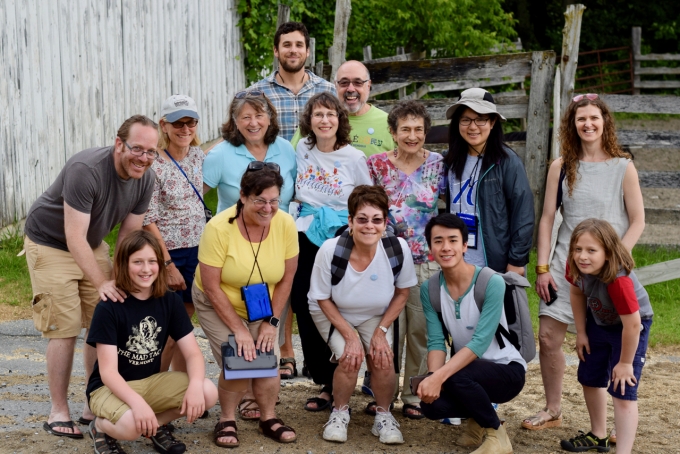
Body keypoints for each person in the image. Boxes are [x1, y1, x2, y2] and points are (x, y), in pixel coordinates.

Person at [24, 115, 157, 438]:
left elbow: (128, 233)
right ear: (118, 144)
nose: (143, 157)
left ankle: (93, 402)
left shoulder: (146, 177)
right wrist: (102, 282)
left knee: (103, 320)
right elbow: (73, 236)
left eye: (151, 151)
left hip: (92, 243)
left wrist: (128, 276)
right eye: (137, 149)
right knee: (64, 327)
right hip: (51, 242)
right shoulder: (87, 170)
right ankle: (58, 411)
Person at [524, 94, 645, 434]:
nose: (587, 124)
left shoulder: (623, 166)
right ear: (572, 124)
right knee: (548, 337)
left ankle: (606, 422)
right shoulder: (561, 166)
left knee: (604, 342)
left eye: (594, 118)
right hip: (568, 264)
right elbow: (548, 218)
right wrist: (543, 267)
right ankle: (553, 407)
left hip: (609, 269)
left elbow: (638, 220)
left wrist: (618, 259)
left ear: (604, 122)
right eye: (581, 119)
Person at [192, 165, 299, 447]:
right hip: (217, 301)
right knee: (240, 361)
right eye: (260, 200)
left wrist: (272, 323)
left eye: (274, 200)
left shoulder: (286, 223)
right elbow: (212, 286)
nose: (268, 208)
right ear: (242, 196)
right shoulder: (217, 228)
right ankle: (226, 419)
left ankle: (268, 417)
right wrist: (239, 329)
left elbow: (287, 279)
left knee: (268, 361)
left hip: (263, 303)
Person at [85, 230, 218, 454]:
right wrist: (137, 404)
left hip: (150, 381)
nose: (146, 269)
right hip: (108, 388)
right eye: (138, 262)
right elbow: (107, 372)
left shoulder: (170, 301)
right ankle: (99, 427)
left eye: (152, 262)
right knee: (131, 428)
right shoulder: (109, 306)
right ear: (124, 264)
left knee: (207, 392)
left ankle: (153, 425)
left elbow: (193, 354)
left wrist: (194, 386)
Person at [308, 185, 417, 445]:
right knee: (350, 356)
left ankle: (384, 415)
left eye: (377, 220)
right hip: (333, 309)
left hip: (375, 314)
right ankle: (339, 412)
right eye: (362, 219)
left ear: (385, 222)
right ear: (350, 221)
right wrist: (350, 335)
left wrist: (380, 332)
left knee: (382, 358)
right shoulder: (330, 249)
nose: (370, 226)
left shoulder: (397, 248)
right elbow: (321, 297)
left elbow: (402, 293)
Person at [291, 92, 373, 412]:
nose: (325, 120)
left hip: (340, 235)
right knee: (303, 302)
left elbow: (366, 198)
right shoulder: (303, 148)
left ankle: (337, 381)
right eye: (318, 115)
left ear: (340, 119)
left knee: (335, 305)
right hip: (305, 232)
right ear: (309, 121)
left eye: (330, 114)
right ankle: (322, 376)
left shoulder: (354, 158)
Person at [418, 213, 526, 454]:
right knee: (430, 405)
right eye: (438, 241)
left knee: (455, 376)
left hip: (506, 370)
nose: (446, 247)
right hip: (467, 371)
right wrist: (433, 378)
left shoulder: (490, 282)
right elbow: (436, 342)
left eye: (453, 240)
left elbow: (480, 342)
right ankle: (477, 421)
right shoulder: (431, 289)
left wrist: (441, 377)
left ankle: (496, 434)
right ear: (430, 248)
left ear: (465, 245)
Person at [366, 100, 445, 419]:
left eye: (418, 130)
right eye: (405, 130)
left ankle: (414, 395)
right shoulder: (376, 165)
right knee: (383, 329)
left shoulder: (438, 163)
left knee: (420, 328)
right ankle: (379, 392)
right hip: (383, 259)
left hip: (426, 259)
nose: (412, 136)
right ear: (393, 132)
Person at [559, 219, 652, 454]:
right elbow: (576, 292)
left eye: (592, 250)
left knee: (623, 389)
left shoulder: (619, 282)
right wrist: (581, 332)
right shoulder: (575, 266)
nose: (582, 256)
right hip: (599, 321)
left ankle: (623, 451)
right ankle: (598, 435)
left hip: (630, 327)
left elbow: (632, 325)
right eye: (578, 249)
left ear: (609, 253)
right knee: (589, 376)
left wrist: (625, 363)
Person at [143, 94, 206, 373]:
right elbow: (148, 218)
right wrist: (167, 264)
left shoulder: (197, 155)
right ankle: (155, 387)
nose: (184, 129)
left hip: (199, 250)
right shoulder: (154, 165)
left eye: (190, 122)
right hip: (169, 253)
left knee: (185, 325)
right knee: (166, 326)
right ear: (163, 126)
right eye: (177, 123)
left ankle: (181, 388)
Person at [444, 87, 534, 275]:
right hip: (457, 258)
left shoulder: (507, 162)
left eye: (480, 119)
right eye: (466, 120)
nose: (473, 126)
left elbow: (523, 213)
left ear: (492, 122)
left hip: (495, 262)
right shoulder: (449, 161)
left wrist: (516, 260)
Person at [203, 90, 296, 215]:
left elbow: (299, 192)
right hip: (235, 232)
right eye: (246, 117)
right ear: (235, 122)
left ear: (269, 119)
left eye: (259, 116)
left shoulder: (286, 148)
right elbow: (191, 196)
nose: (253, 123)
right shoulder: (220, 155)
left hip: (281, 231)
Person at [249, 22, 336, 141]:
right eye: (287, 45)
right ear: (276, 51)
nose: (293, 50)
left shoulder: (329, 91)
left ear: (307, 51)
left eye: (299, 45)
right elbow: (238, 133)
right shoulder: (256, 93)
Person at [291, 60, 394, 157]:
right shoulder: (317, 120)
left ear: (368, 85)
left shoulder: (389, 123)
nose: (350, 89)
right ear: (335, 85)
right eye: (344, 83)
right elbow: (290, 159)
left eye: (358, 82)